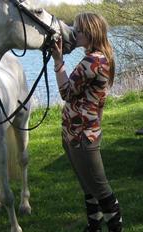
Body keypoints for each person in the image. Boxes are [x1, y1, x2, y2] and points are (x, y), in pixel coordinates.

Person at [51, 12, 123, 232]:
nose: (75, 33)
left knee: (100, 189)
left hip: (82, 136)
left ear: (90, 33)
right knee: (88, 186)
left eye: (78, 30)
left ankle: (115, 228)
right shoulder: (99, 57)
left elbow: (65, 91)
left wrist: (58, 61)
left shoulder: (93, 61)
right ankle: (94, 227)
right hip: (77, 133)